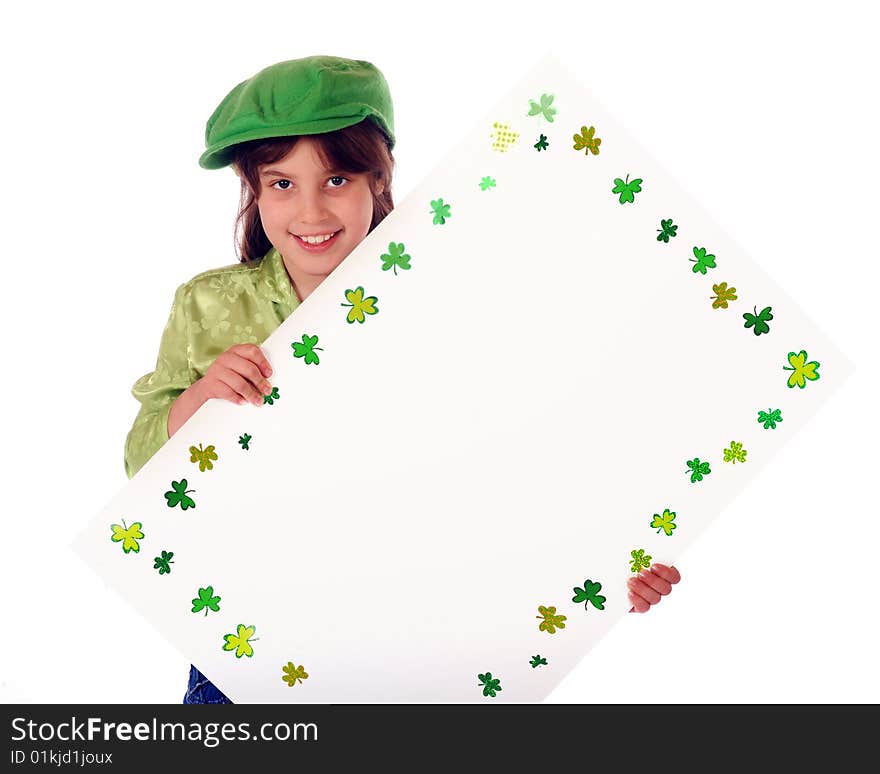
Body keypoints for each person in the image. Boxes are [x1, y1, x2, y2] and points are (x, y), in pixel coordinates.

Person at [123, 55, 680, 704]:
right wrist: (200, 398)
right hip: (251, 635)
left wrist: (615, 564)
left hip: (415, 637)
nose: (310, 211)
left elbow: (527, 447)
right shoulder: (207, 305)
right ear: (252, 189)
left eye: (336, 179)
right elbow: (141, 465)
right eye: (281, 184)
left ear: (379, 180)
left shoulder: (444, 292)